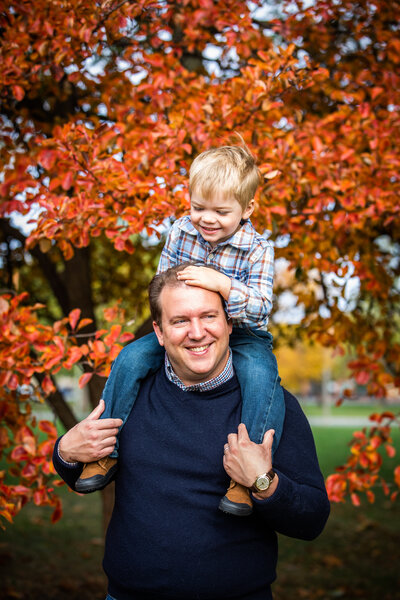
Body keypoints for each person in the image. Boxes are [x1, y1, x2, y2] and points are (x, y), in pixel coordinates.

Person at [53, 269, 330, 600]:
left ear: (229, 322)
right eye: (180, 320)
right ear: (159, 331)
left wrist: (263, 483)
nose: (197, 332)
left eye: (209, 316)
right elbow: (84, 475)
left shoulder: (271, 405)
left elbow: (312, 520)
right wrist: (65, 454)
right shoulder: (130, 396)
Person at [76, 141, 283, 517]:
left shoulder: (258, 249)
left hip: (245, 332)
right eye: (198, 207)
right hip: (188, 327)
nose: (206, 218)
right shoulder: (181, 232)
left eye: (221, 211)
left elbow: (261, 307)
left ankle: (244, 477)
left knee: (261, 375)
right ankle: (105, 452)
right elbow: (162, 285)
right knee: (131, 357)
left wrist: (219, 284)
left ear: (247, 209)